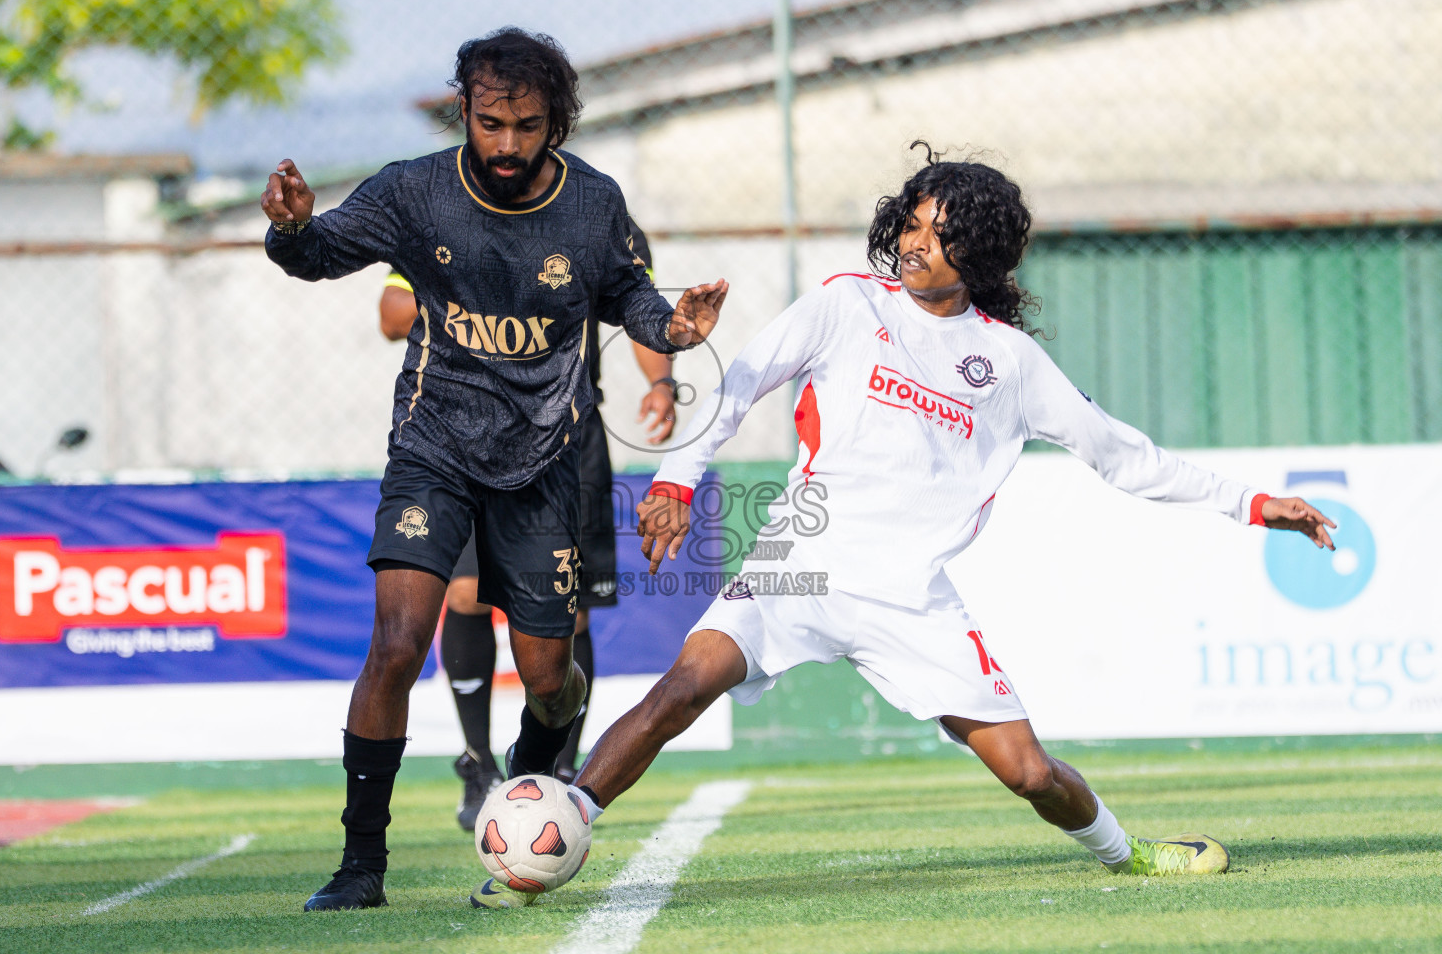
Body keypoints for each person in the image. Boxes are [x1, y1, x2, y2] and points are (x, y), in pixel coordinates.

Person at [508, 147, 1335, 896]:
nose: (914, 242)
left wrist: (1255, 505)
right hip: (799, 560)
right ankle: (561, 825)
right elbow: (737, 388)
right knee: (682, 689)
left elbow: (1125, 456)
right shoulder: (845, 305)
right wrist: (677, 486)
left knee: (1029, 772)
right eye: (910, 223)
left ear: (976, 251)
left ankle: (1130, 854)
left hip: (910, 599)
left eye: (938, 234)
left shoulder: (1009, 361)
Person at [261, 25, 728, 912]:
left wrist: (671, 328)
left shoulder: (594, 203)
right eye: (489, 123)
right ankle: (362, 864)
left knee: (550, 676)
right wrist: (290, 229)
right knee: (397, 646)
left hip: (546, 461)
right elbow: (320, 255)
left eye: (526, 124)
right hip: (432, 446)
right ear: (464, 112)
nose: (506, 144)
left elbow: (629, 294)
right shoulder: (414, 191)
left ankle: (531, 786)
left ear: (557, 120)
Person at [377, 221, 678, 830]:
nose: (512, 142)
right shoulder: (447, 211)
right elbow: (390, 313)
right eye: (494, 124)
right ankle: (478, 762)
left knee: (574, 609)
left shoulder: (598, 215)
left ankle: (557, 773)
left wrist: (662, 381)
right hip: (465, 431)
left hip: (569, 431)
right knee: (463, 593)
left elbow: (637, 309)